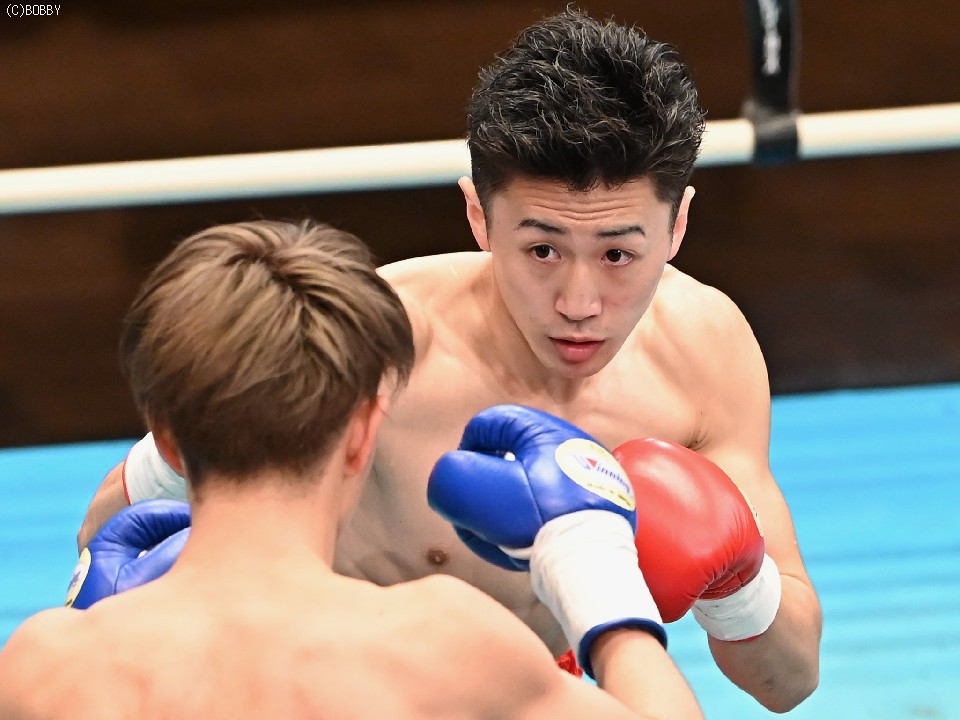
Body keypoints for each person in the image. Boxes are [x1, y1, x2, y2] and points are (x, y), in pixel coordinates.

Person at [75, 7, 822, 712]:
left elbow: (788, 682)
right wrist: (196, 448)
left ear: (678, 226)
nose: (579, 300)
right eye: (542, 249)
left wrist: (737, 583)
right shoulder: (378, 341)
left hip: (547, 699)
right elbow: (108, 539)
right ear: (478, 216)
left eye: (618, 254)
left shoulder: (705, 354)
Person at [0, 219, 705, 719]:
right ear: (364, 433)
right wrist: (596, 577)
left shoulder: (46, 665)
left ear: (168, 444)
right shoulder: (444, 645)